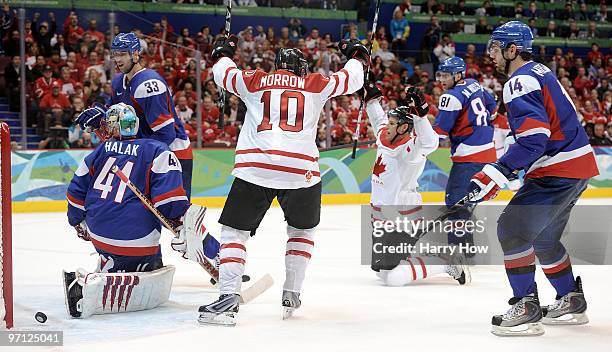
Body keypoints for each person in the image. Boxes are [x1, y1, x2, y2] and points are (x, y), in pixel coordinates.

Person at [198, 36, 367, 326]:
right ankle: (292, 290)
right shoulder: (315, 83)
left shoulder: (255, 80)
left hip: (256, 166)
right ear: (300, 68)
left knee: (234, 233)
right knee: (301, 233)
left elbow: (222, 73)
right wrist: (356, 55)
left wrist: (224, 52)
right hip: (301, 170)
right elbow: (352, 79)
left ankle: (228, 295)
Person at [469, 21, 599, 336]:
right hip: (577, 165)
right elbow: (562, 119)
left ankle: (526, 307)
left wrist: (495, 172)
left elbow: (534, 139)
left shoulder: (517, 81)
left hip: (556, 169)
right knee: (544, 239)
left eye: (497, 49)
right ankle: (571, 299)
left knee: (511, 230)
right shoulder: (541, 72)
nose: (493, 56)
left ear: (513, 49)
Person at [63, 103, 209, 318]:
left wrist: (76, 220)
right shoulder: (158, 150)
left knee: (126, 251)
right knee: (146, 260)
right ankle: (106, 281)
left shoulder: (100, 150)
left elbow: (75, 192)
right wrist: (181, 224)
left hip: (97, 233)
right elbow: (170, 203)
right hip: (136, 239)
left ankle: (110, 263)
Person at [364, 80, 470, 287]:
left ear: (404, 127)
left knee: (393, 278)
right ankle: (435, 256)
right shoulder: (384, 137)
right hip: (381, 215)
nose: (387, 125)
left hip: (401, 214)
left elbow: (430, 142)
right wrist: (371, 98)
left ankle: (448, 260)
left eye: (393, 123)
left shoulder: (410, 151)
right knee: (383, 274)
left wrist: (420, 116)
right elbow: (378, 120)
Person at [75, 33, 193, 197]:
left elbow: (166, 134)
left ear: (135, 54)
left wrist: (136, 152)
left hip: (172, 152)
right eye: (115, 54)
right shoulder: (118, 81)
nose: (118, 59)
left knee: (176, 214)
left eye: (123, 54)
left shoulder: (149, 84)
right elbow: (115, 114)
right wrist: (100, 116)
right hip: (147, 150)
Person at [432, 56, 496, 249]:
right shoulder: (474, 84)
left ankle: (457, 251)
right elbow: (492, 108)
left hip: (469, 157)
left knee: (455, 203)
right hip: (488, 154)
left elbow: (439, 132)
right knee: (466, 203)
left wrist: (412, 136)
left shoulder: (451, 96)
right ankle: (467, 247)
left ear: (458, 75)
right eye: (440, 75)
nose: (442, 79)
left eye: (446, 75)